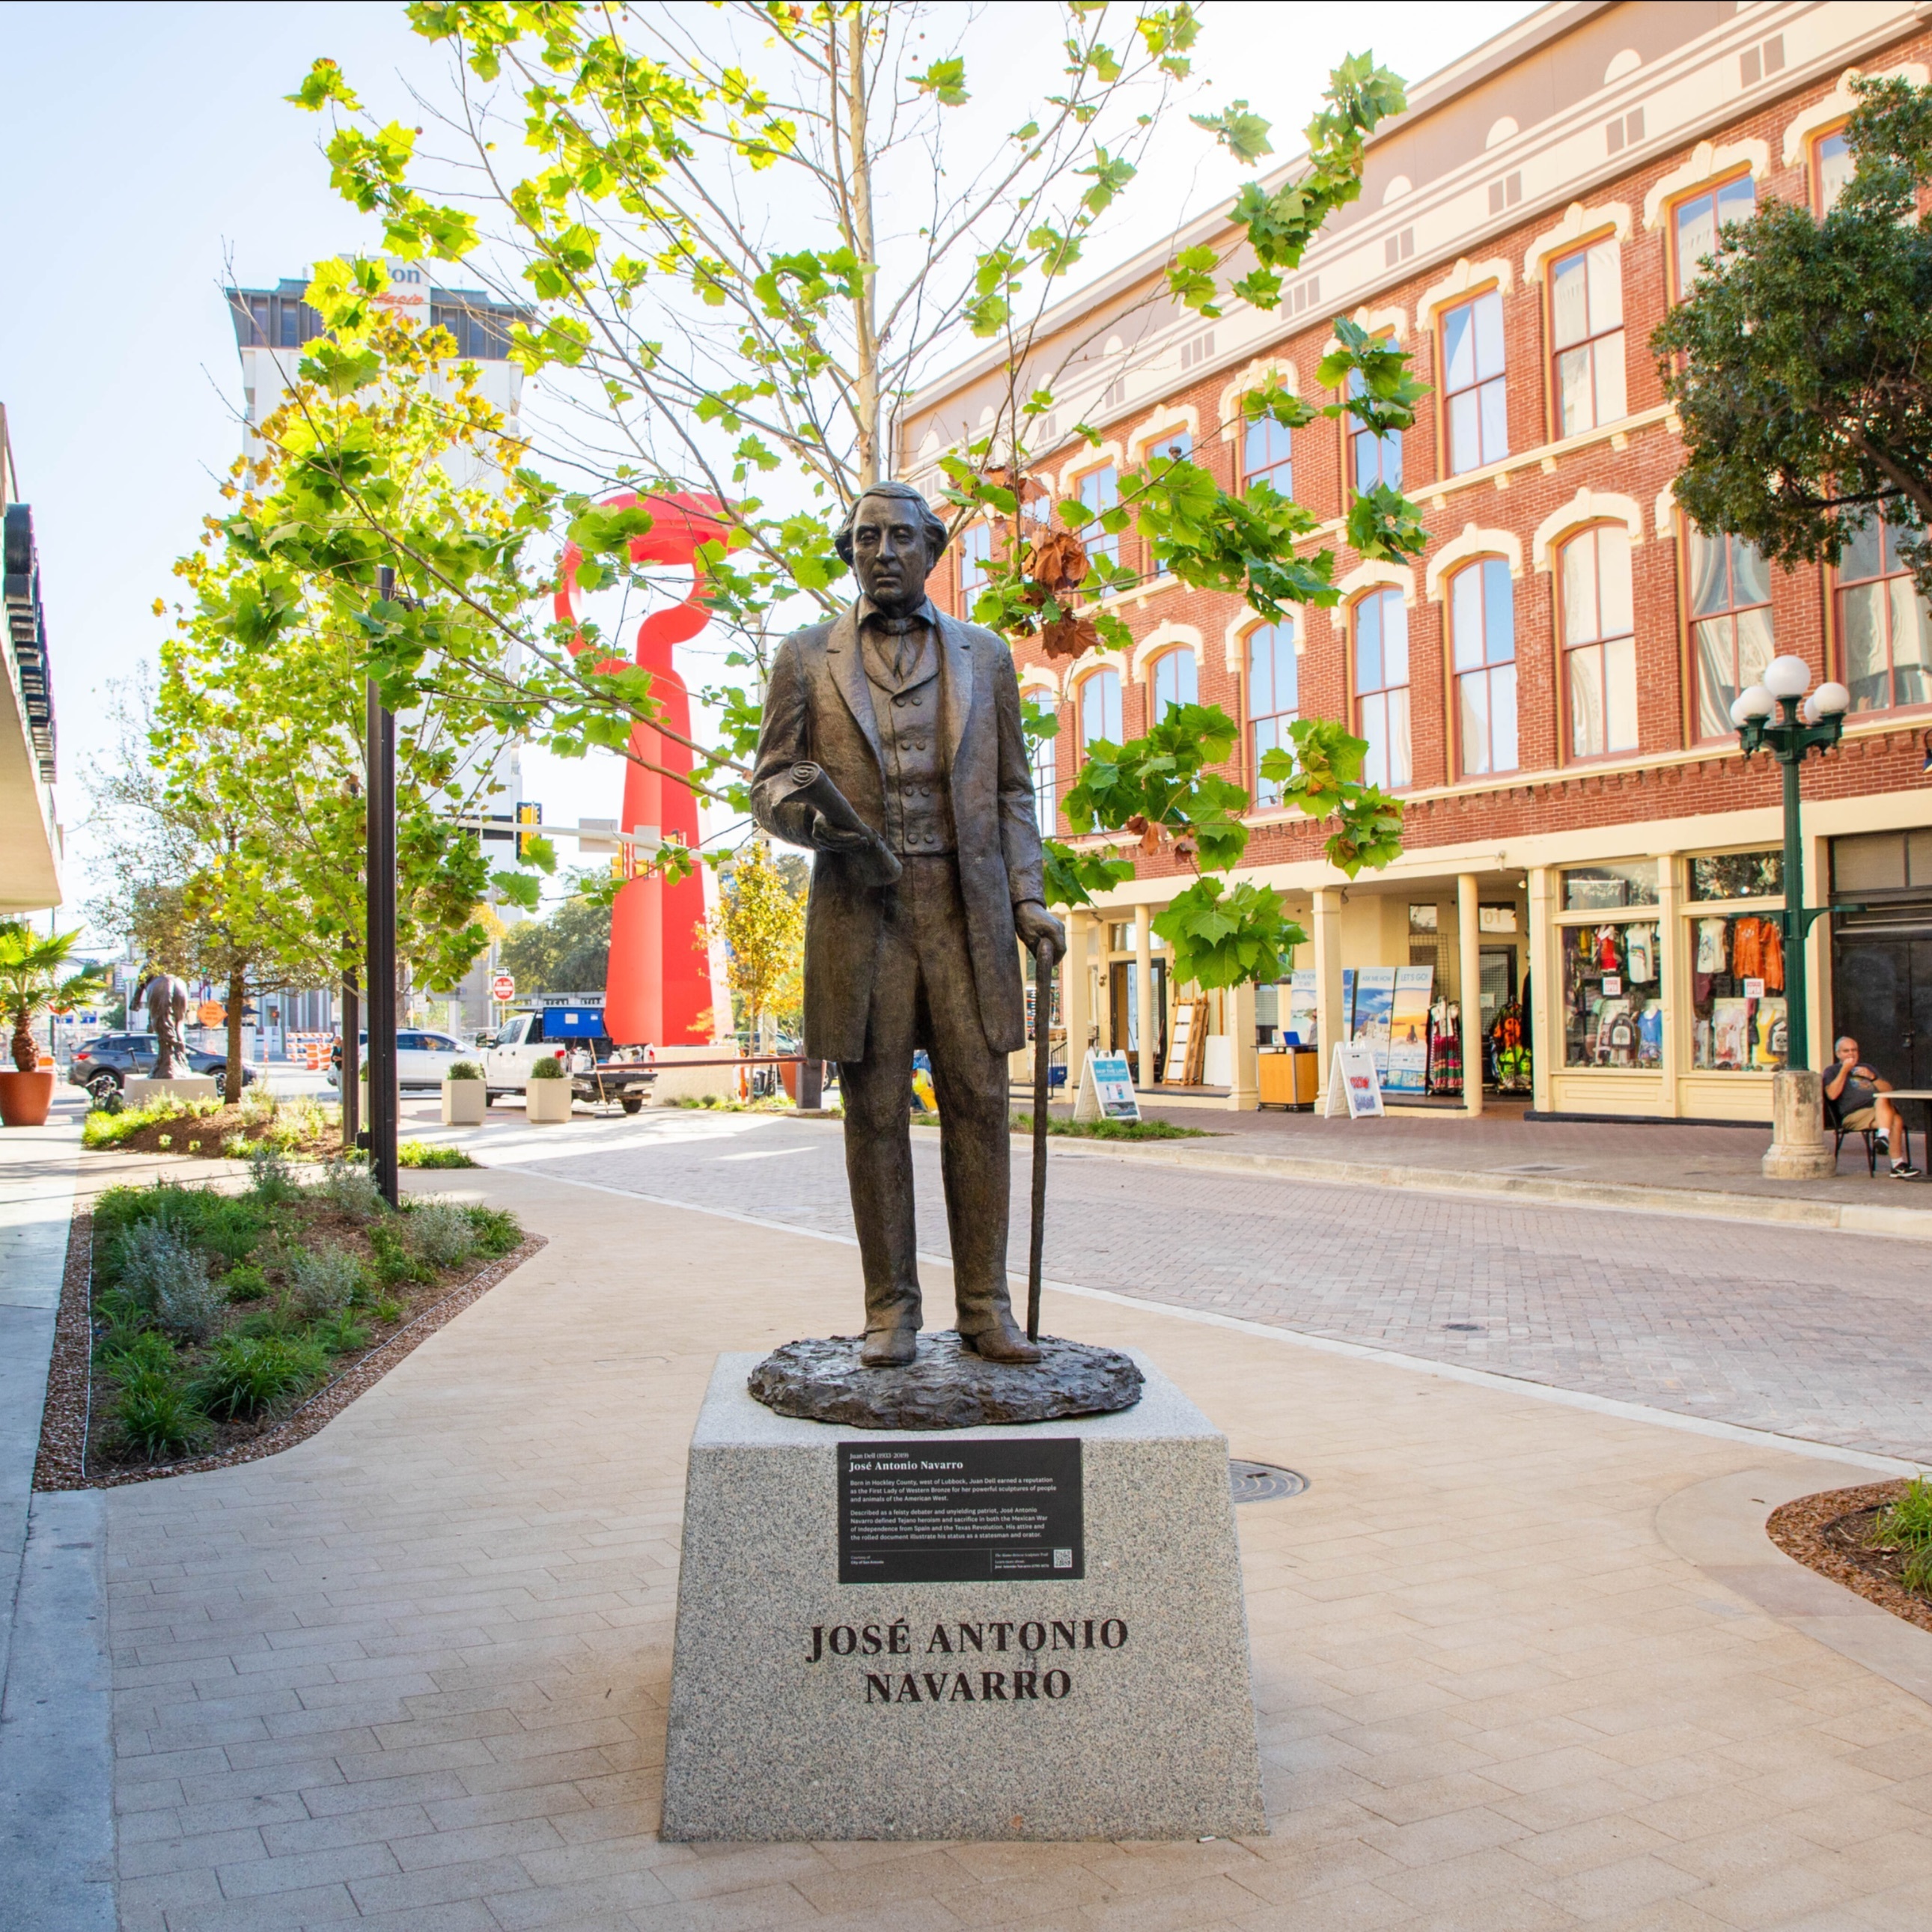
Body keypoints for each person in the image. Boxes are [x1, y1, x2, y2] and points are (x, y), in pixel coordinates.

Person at [751, 480, 1064, 1366]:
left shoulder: (986, 655)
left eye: (898, 537)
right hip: (865, 914)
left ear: (932, 548)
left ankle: (985, 1307)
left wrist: (1027, 898)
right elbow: (769, 779)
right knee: (874, 1112)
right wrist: (806, 817)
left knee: (980, 1106)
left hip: (966, 916)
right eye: (863, 539)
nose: (881, 552)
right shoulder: (806, 656)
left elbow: (1010, 790)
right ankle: (890, 1310)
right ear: (847, 553)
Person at [1824, 1036, 1920, 1177]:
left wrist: (1872, 1077)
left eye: (1854, 1050)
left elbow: (1889, 1090)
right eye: (1846, 1051)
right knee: (1895, 1119)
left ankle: (1882, 1137)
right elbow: (1832, 1095)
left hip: (1878, 1111)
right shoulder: (1832, 1071)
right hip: (1854, 1114)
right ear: (1838, 1054)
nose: (1851, 1054)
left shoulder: (1867, 1067)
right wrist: (1844, 1071)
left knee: (1883, 1099)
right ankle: (1897, 1164)